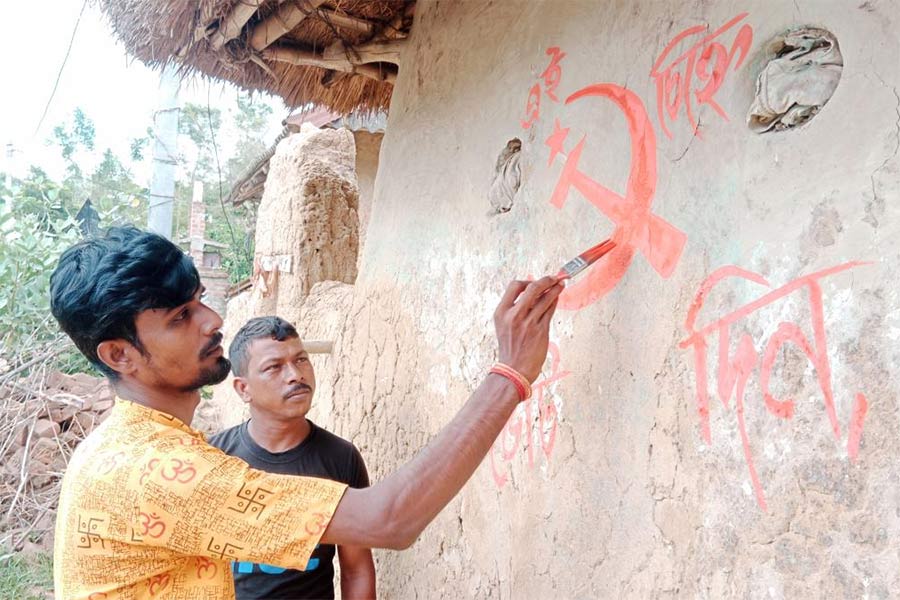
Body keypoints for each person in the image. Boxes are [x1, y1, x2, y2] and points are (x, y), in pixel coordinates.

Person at [49, 226, 564, 599]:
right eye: (181, 316)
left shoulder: (128, 448)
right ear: (120, 355)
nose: (212, 320)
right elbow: (391, 519)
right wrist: (512, 372)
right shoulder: (159, 470)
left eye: (200, 299)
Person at [209, 316, 375, 600]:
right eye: (274, 367)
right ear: (243, 388)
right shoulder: (214, 458)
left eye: (300, 360)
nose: (295, 375)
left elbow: (356, 569)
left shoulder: (340, 458)